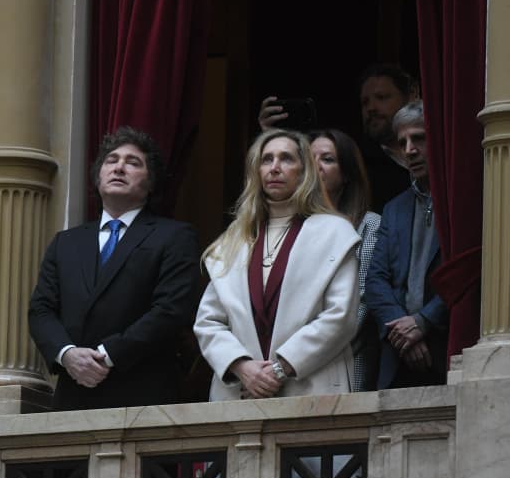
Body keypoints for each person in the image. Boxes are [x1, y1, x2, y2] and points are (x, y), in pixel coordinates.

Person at [28, 127, 200, 411]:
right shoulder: (66, 242)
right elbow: (41, 310)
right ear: (98, 176)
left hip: (144, 393)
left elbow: (172, 309)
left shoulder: (174, 236)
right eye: (111, 160)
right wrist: (67, 355)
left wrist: (107, 355)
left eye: (133, 163)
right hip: (74, 393)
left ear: (151, 182)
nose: (119, 167)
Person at [194, 129, 360, 401]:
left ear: (304, 171)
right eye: (267, 159)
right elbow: (208, 322)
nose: (274, 167)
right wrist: (242, 367)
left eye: (286, 158)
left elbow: (340, 317)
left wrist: (279, 369)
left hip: (312, 388)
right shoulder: (234, 238)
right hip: (241, 391)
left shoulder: (335, 233)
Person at [364, 101, 448, 389]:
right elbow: (375, 280)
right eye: (402, 143)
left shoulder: (461, 200)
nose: (410, 150)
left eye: (419, 138)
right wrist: (402, 330)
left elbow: (469, 269)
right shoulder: (394, 209)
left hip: (448, 346)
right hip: (398, 356)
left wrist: (423, 322)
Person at [258, 63, 416, 210]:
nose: (371, 108)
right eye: (365, 102)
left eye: (381, 97)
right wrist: (272, 139)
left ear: (411, 96)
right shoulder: (358, 159)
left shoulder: (429, 149)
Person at [307, 129, 382, 391]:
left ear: (347, 173)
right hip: (292, 363)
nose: (316, 166)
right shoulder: (292, 228)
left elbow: (362, 301)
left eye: (327, 159)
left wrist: (313, 350)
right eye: (310, 158)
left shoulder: (369, 225)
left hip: (347, 356)